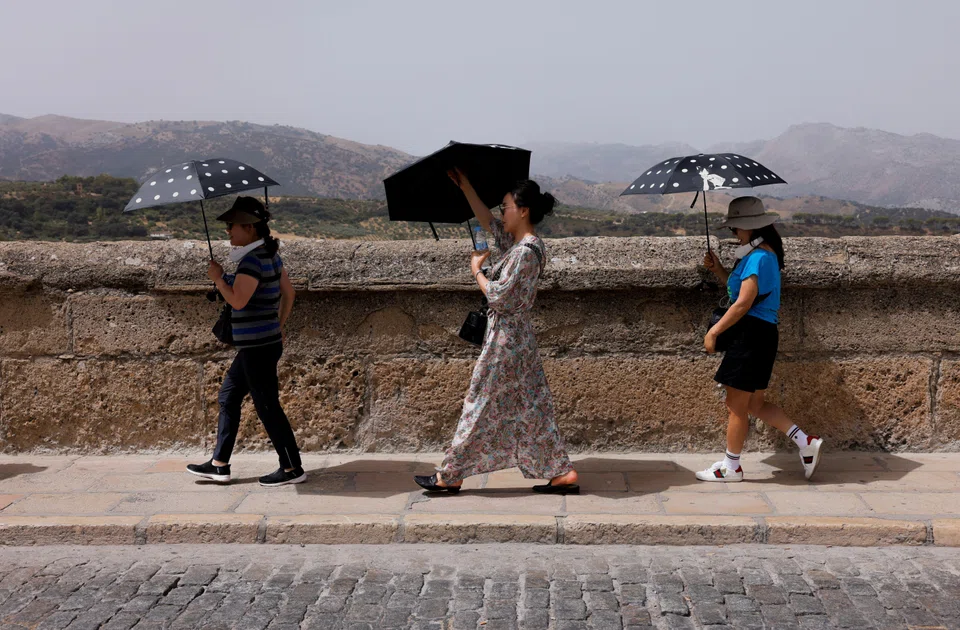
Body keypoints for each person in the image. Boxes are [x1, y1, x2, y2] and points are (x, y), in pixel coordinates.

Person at [414, 171, 580, 495]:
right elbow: (488, 221)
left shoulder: (524, 253)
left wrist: (477, 270)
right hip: (519, 343)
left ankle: (450, 474)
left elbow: (498, 295)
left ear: (523, 210)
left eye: (506, 207)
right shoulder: (521, 245)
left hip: (505, 342)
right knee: (534, 409)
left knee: (477, 404)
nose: (501, 212)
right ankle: (562, 472)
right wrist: (467, 187)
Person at [698, 196, 823, 482]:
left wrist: (713, 332)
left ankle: (732, 468)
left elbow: (742, 304)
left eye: (735, 229)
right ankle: (805, 442)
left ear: (750, 228)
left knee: (736, 406)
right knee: (754, 404)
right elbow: (743, 292)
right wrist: (719, 270)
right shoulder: (765, 255)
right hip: (763, 336)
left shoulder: (757, 258)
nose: (734, 234)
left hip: (750, 337)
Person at [186, 196, 305, 487]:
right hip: (261, 343)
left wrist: (218, 279)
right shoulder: (269, 255)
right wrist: (277, 325)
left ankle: (292, 468)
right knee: (229, 395)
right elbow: (288, 293)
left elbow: (238, 300)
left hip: (257, 348)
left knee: (267, 406)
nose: (228, 232)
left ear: (249, 228)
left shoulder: (252, 261)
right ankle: (219, 464)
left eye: (232, 226)